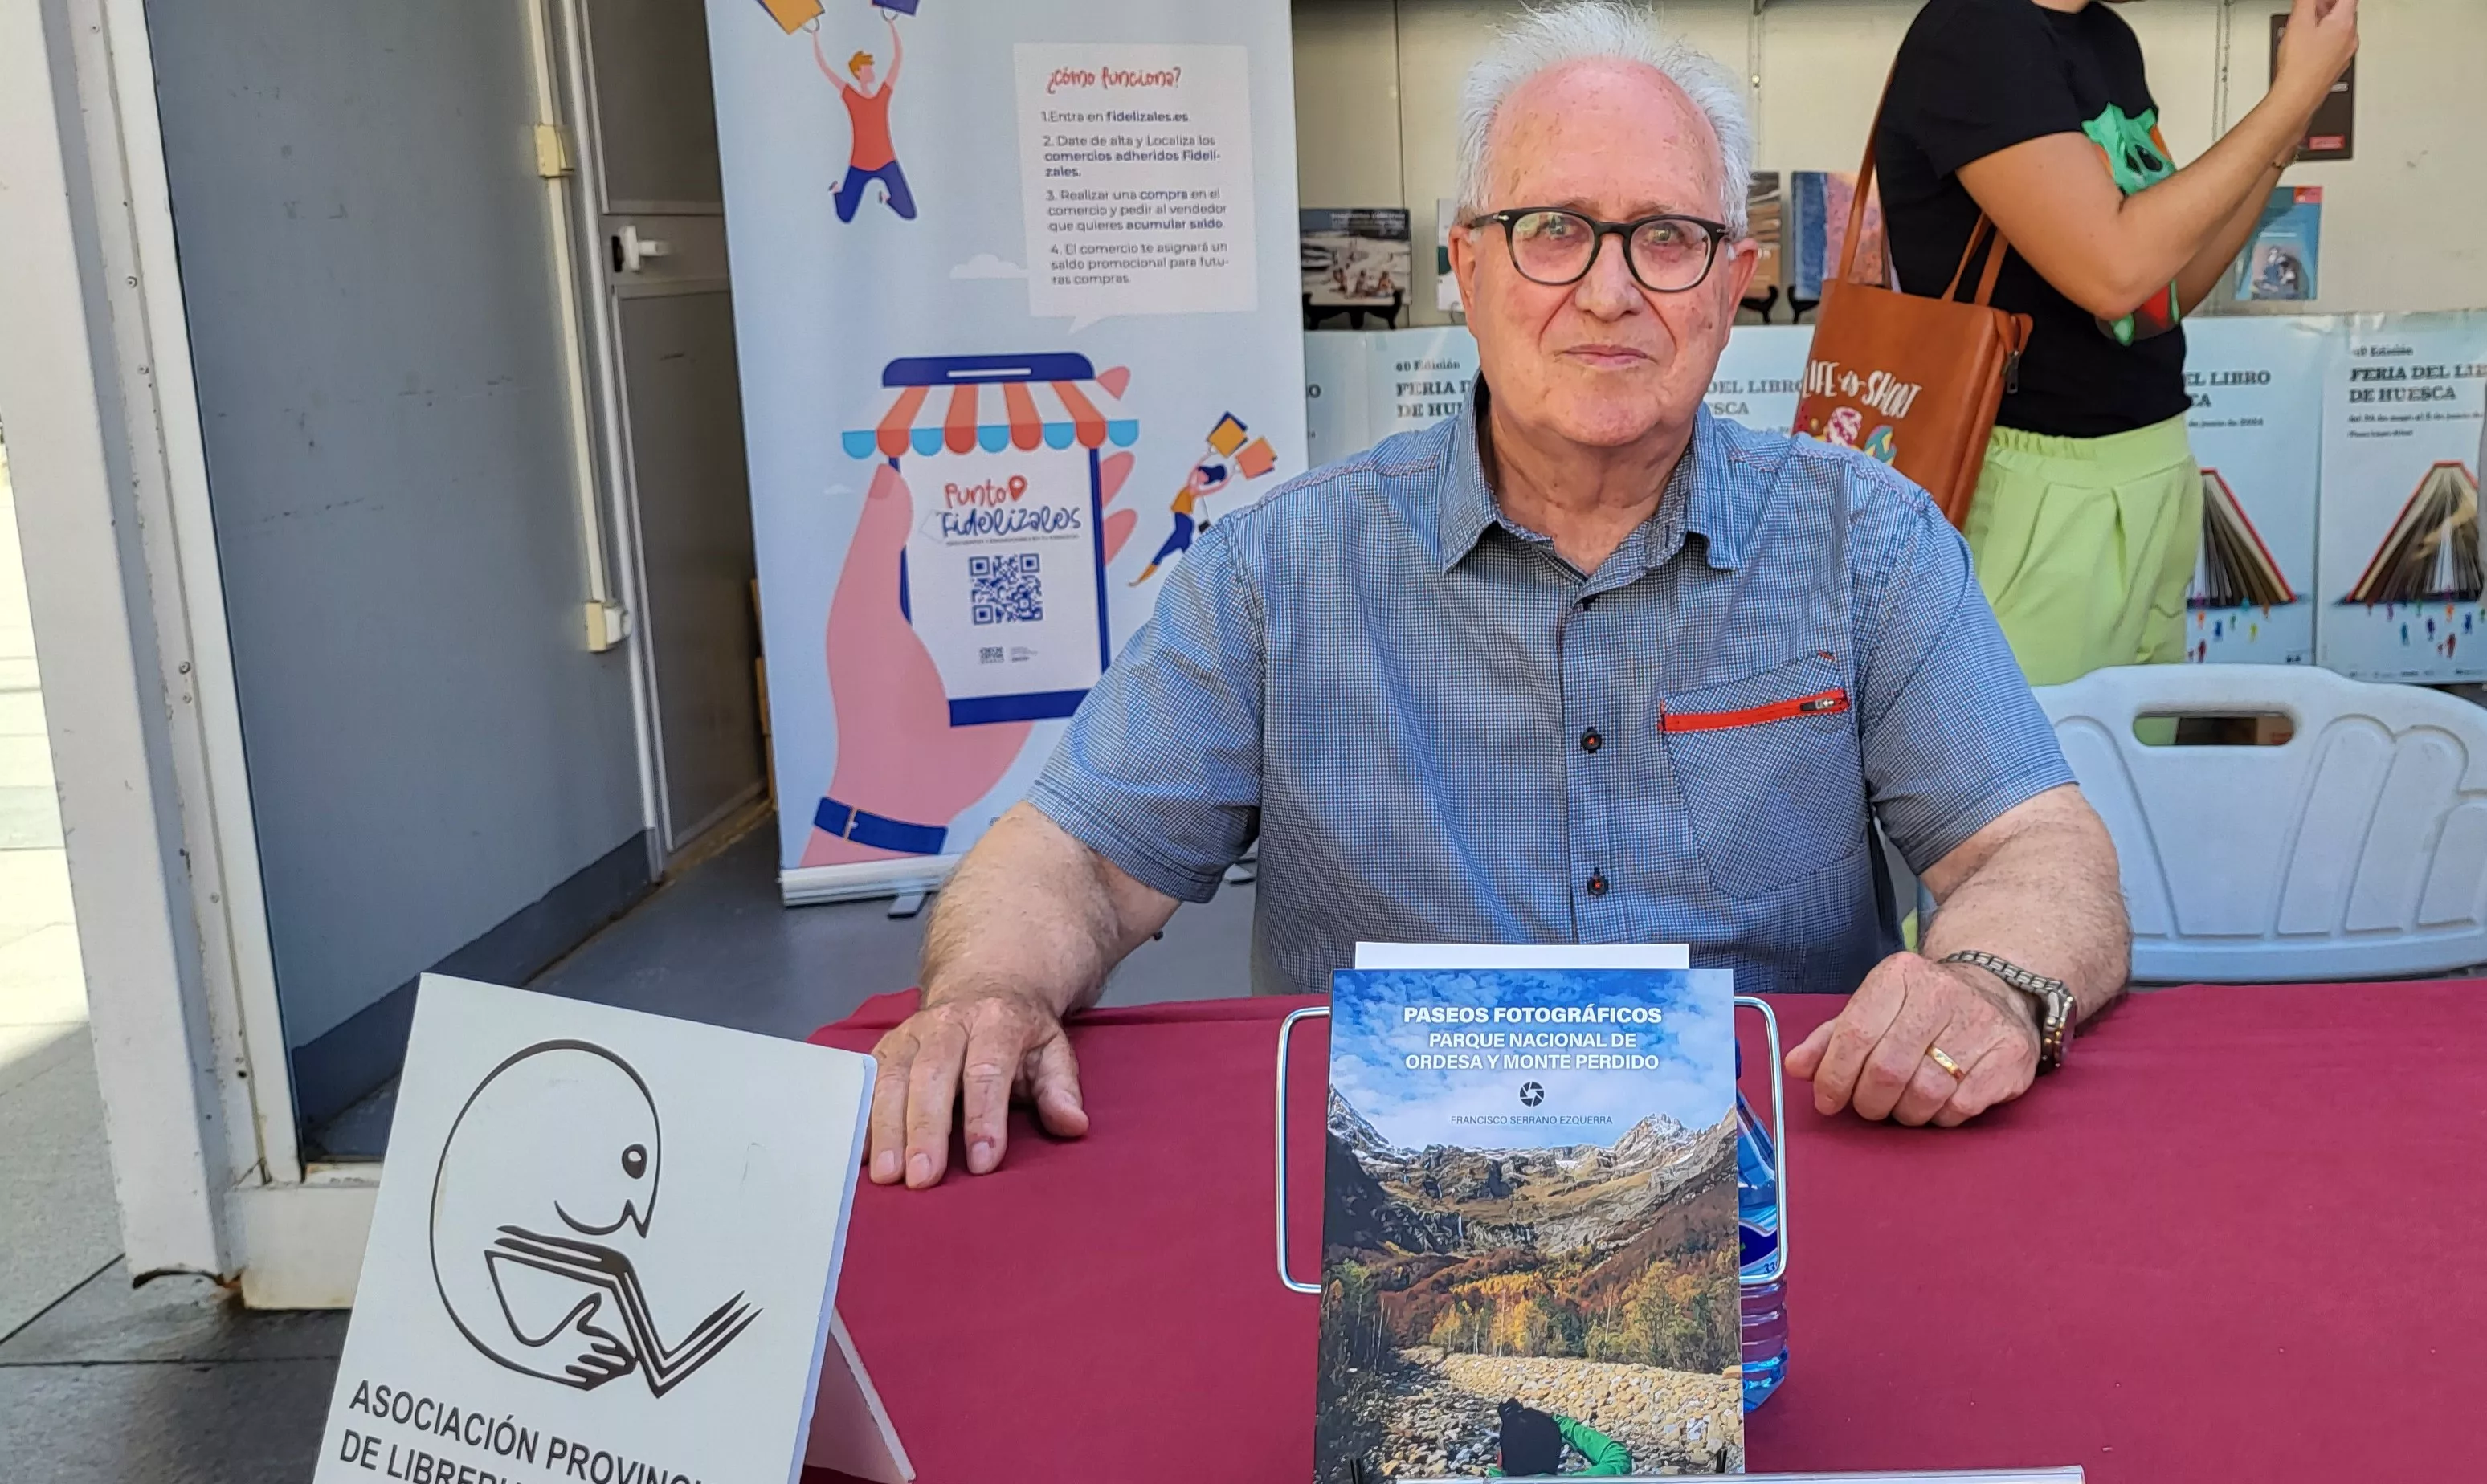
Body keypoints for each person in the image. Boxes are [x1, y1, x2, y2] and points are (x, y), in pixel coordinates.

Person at [864, 1, 2130, 1191]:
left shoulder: (1867, 539)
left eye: (1668, 238)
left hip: (1776, 1191)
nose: (1610, 289)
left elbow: (2035, 847)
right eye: (1553, 229)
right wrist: (992, 994)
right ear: (1467, 268)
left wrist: (1988, 984)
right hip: (1382, 1206)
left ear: (1735, 282)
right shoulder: (1281, 568)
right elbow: (1073, 857)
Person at [1874, 0, 2359, 684]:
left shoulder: (2106, 38)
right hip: (2031, 486)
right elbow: (2113, 273)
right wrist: (2293, 95)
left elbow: (2163, 293)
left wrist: (2287, 130)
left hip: (2154, 464)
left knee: (2135, 772)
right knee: (2032, 782)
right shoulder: (1975, 31)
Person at [815, 11, 913, 222]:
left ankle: (886, 199)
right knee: (845, 215)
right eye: (867, 68)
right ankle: (836, 192)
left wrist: (892, 26)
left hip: (886, 160)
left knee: (908, 211)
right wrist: (815, 38)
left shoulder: (882, 96)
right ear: (858, 72)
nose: (871, 71)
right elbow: (826, 70)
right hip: (859, 163)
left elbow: (897, 60)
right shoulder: (851, 96)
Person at [1489, 1400, 1631, 1478]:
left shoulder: (1488, 1482)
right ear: (1557, 1455)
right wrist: (1557, 1422)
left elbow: (1496, 1474)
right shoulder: (1586, 1481)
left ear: (1501, 1458)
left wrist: (1497, 1471)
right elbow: (1617, 1456)